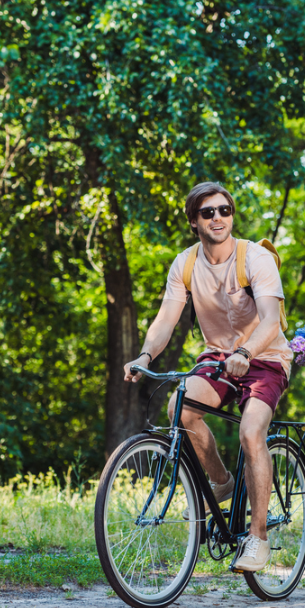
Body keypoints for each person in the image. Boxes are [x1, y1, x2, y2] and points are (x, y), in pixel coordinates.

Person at [123, 181, 292, 572]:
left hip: (265, 357)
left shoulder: (256, 258)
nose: (218, 218)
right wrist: (146, 354)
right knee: (179, 410)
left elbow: (269, 320)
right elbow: (166, 318)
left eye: (224, 210)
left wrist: (247, 352)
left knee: (251, 433)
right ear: (193, 222)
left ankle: (258, 537)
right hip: (218, 356)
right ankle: (222, 483)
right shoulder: (185, 264)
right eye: (207, 212)